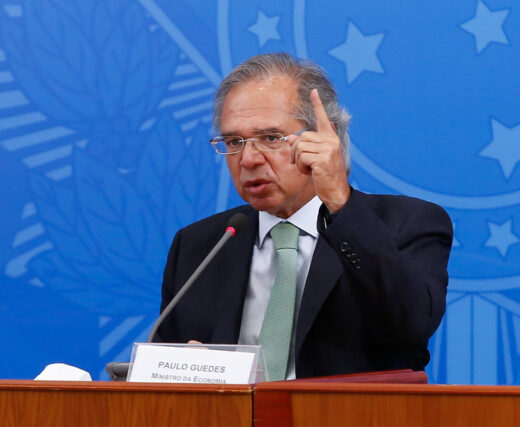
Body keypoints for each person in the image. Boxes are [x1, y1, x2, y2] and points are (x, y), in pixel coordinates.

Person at [157, 52, 453, 381]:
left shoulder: (406, 223)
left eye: (270, 138)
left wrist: (340, 201)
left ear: (324, 140)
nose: (249, 158)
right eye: (234, 141)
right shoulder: (202, 244)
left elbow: (411, 326)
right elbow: (164, 367)